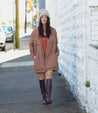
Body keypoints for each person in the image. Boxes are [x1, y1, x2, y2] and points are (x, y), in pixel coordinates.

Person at [29, 9, 59, 105]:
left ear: (48, 19)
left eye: (45, 17)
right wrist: (33, 55)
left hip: (50, 56)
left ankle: (48, 97)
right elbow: (31, 44)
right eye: (42, 17)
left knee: (49, 75)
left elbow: (56, 43)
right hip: (40, 57)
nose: (44, 19)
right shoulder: (35, 32)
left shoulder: (53, 31)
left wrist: (56, 52)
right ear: (40, 19)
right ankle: (44, 97)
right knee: (42, 76)